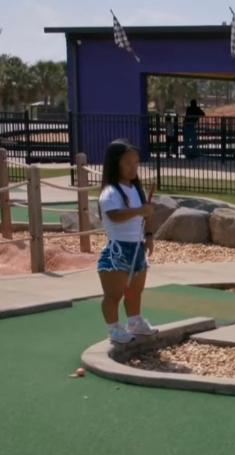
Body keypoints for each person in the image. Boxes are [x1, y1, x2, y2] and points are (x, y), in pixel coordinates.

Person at [96, 139, 158, 344]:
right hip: (118, 248)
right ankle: (113, 328)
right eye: (128, 163)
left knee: (134, 290)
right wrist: (140, 210)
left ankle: (134, 321)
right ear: (116, 164)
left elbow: (145, 218)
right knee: (114, 294)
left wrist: (148, 237)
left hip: (137, 245)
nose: (133, 167)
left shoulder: (136, 189)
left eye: (136, 163)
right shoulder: (110, 192)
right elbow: (115, 215)